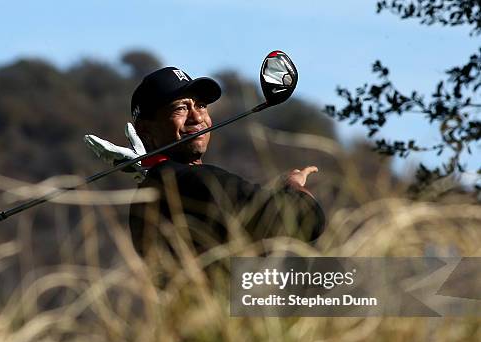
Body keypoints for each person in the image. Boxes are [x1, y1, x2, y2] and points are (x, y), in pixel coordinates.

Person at [85, 66, 325, 257]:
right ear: (145, 131)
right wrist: (293, 186)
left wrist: (153, 166)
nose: (198, 116)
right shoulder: (188, 182)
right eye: (181, 108)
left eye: (201, 105)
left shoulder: (162, 185)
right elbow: (308, 218)